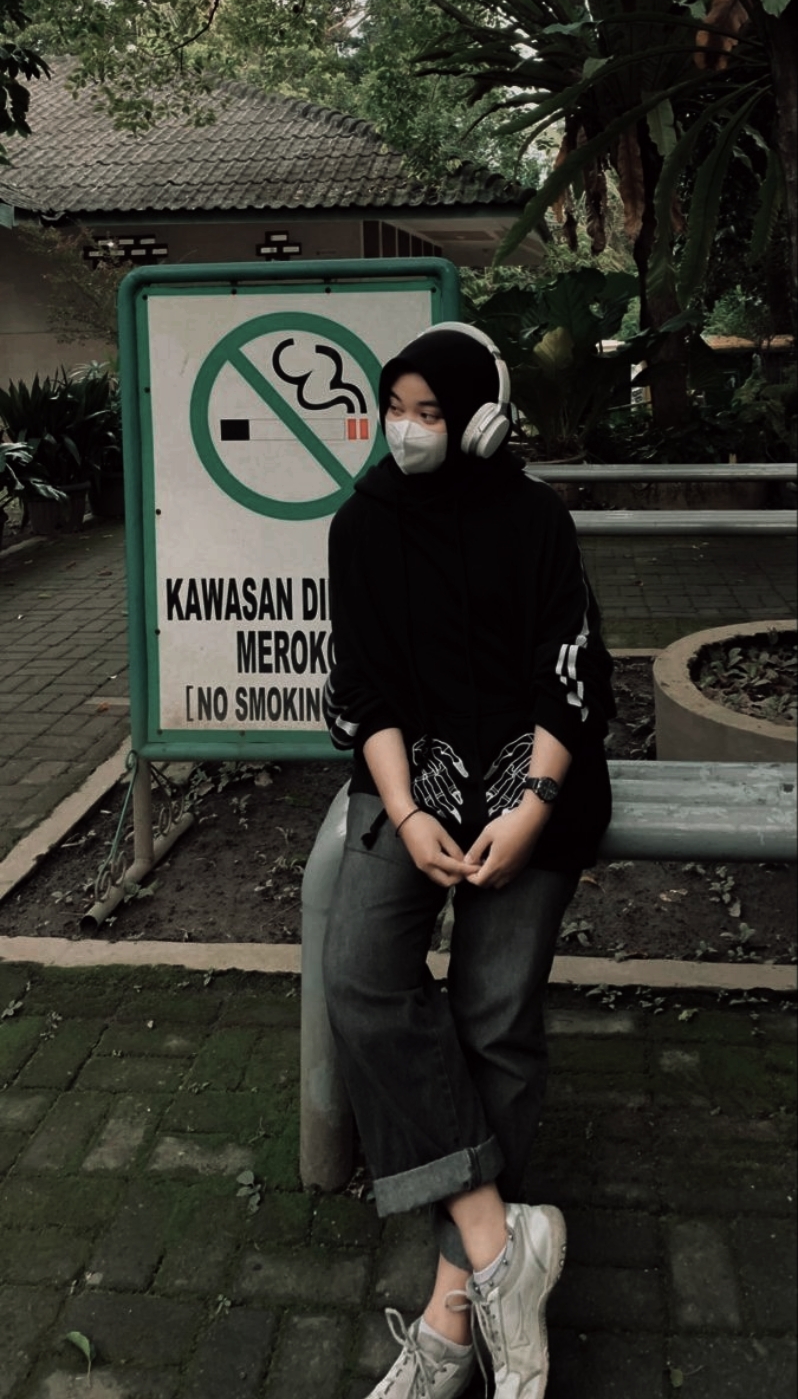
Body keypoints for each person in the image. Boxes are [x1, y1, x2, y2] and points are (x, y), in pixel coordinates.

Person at [321, 322, 615, 1398]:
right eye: (395, 408)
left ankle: (454, 1312)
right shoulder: (362, 524)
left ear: (484, 418)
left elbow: (573, 675)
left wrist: (533, 808)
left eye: (431, 411)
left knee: (494, 1013)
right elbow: (363, 689)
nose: (407, 430)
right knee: (360, 975)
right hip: (414, 784)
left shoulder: (535, 519)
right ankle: (501, 1239)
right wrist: (405, 813)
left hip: (535, 787)